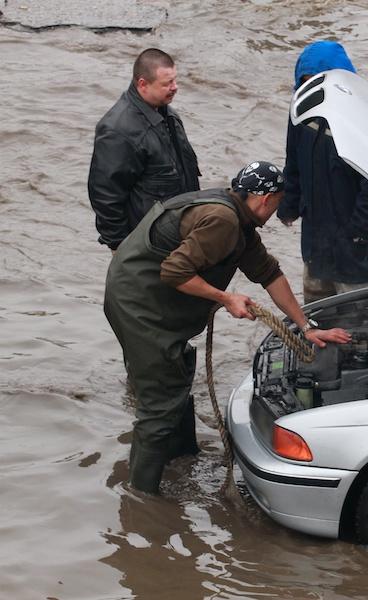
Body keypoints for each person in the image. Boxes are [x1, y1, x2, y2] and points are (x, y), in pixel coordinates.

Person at [104, 161, 351, 494]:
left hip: (146, 297)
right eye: (278, 200)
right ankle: (141, 497)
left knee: (176, 376)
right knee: (159, 406)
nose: (277, 208)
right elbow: (174, 272)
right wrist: (225, 298)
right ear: (266, 199)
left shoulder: (239, 220)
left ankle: (181, 458)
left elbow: (269, 274)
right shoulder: (223, 221)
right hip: (138, 305)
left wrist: (305, 327)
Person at [279, 40, 368, 303]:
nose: (313, 89)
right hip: (317, 242)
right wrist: (289, 205)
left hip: (360, 253)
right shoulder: (301, 109)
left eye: (320, 81)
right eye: (306, 82)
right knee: (318, 313)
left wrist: (357, 235)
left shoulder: (367, 120)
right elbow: (293, 161)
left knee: (367, 320)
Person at [88, 48, 201, 252]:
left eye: (175, 80)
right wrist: (120, 248)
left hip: (179, 236)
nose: (175, 87)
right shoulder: (117, 130)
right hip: (146, 244)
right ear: (143, 84)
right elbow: (106, 196)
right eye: (167, 83)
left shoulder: (168, 114)